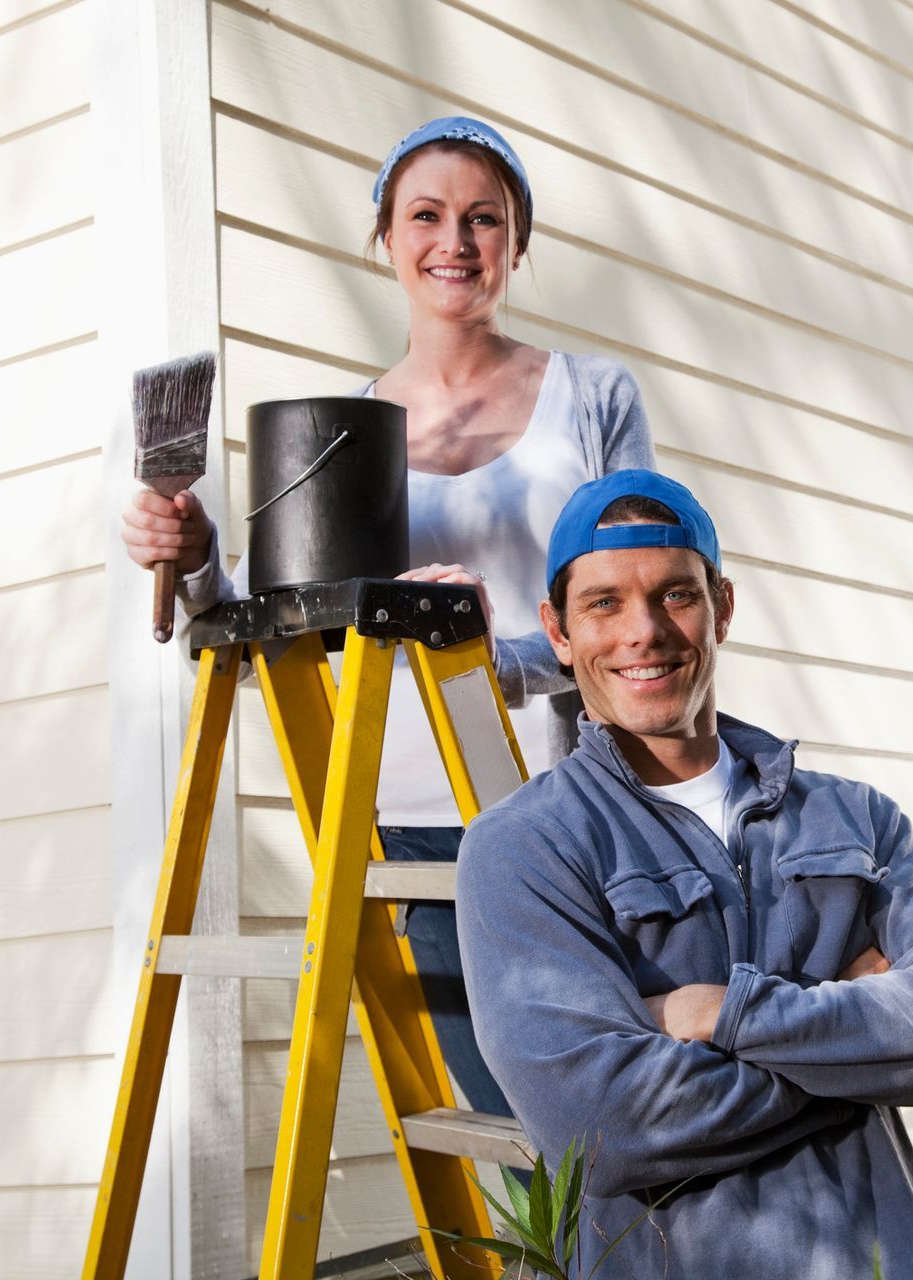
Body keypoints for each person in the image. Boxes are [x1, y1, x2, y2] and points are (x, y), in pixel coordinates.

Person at [119, 116, 655, 1120]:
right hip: (412, 815)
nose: (454, 241)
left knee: (607, 1097)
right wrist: (195, 561)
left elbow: (636, 610)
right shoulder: (343, 429)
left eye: (483, 219)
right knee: (503, 1111)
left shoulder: (591, 396)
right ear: (385, 237)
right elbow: (280, 614)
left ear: (517, 244)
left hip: (569, 801)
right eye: (427, 215)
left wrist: (492, 657)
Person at [455, 469, 913, 1279]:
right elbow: (602, 1130)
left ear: (723, 606)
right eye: (604, 603)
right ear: (558, 631)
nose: (643, 632)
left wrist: (721, 1012)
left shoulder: (853, 818)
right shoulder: (527, 847)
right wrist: (855, 1036)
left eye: (675, 596)